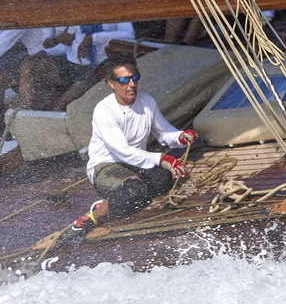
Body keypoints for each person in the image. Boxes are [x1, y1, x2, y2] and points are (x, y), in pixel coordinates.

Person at [68, 58, 197, 237]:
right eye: (123, 80)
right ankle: (89, 219)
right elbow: (122, 151)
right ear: (111, 83)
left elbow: (164, 133)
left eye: (134, 78)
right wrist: (162, 158)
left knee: (163, 179)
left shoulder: (147, 101)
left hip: (135, 164)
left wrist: (180, 137)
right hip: (106, 166)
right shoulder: (104, 110)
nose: (131, 84)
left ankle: (115, 201)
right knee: (136, 191)